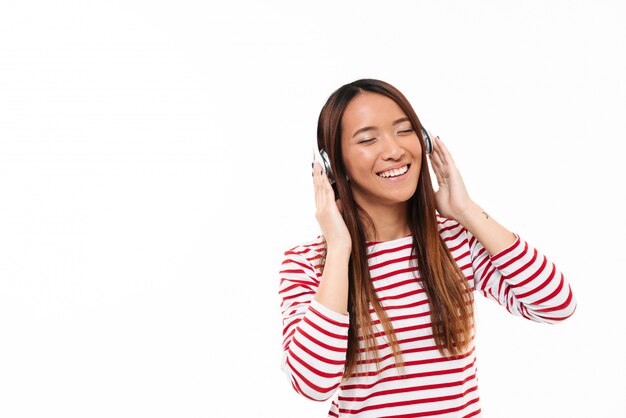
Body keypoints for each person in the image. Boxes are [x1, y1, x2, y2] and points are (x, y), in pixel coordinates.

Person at [278, 78, 576, 417]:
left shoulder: (454, 240)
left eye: (404, 131)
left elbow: (556, 305)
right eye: (368, 139)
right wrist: (339, 247)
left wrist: (466, 211)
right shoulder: (307, 263)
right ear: (332, 165)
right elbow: (312, 384)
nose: (393, 150)